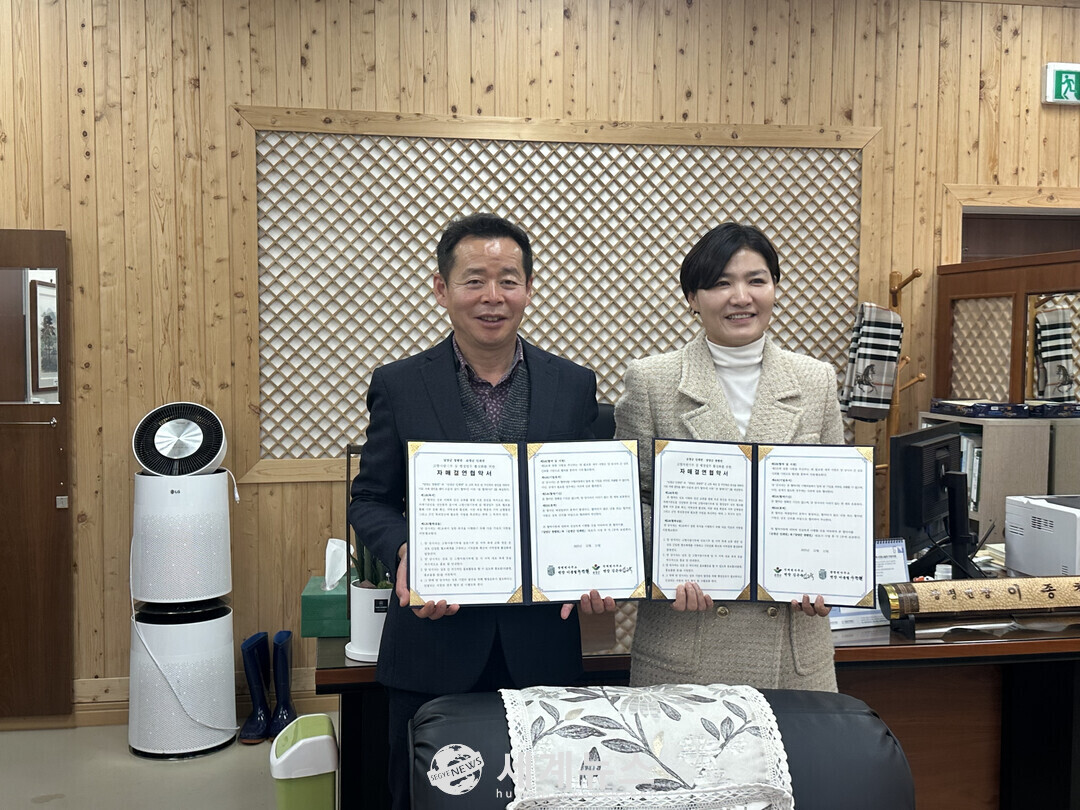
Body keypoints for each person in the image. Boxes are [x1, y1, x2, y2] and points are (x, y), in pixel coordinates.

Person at [349, 213, 614, 810]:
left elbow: (584, 502)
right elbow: (370, 498)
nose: (493, 296)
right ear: (441, 289)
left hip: (542, 645)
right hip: (433, 643)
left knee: (547, 795)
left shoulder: (573, 385)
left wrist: (596, 566)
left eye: (508, 280)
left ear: (529, 288)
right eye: (474, 280)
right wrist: (405, 550)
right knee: (425, 797)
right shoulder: (399, 385)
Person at [614, 221, 843, 692]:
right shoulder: (652, 381)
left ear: (774, 288)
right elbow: (626, 503)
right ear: (693, 299)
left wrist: (830, 577)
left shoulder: (816, 380)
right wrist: (669, 566)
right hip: (686, 640)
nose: (741, 297)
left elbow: (834, 501)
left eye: (756, 280)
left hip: (793, 649)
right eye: (721, 283)